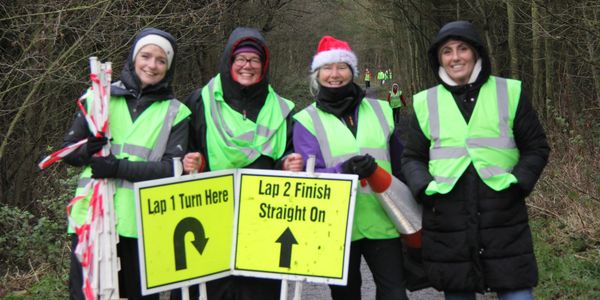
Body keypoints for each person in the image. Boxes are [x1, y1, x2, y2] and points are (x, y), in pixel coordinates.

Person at [401, 20, 550, 300]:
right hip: (447, 216)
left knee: (517, 292)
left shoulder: (510, 92)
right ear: (439, 59)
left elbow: (536, 147)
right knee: (458, 292)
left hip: (503, 213)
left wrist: (519, 183)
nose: (455, 57)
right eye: (447, 51)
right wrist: (424, 189)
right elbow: (412, 157)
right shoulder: (424, 102)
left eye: (462, 49)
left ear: (477, 53)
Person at [171, 27, 303, 300]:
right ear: (228, 61)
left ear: (264, 66)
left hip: (263, 220)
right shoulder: (199, 102)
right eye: (240, 58)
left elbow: (287, 154)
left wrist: (288, 164)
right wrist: (189, 161)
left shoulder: (282, 109)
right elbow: (182, 151)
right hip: (209, 219)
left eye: (255, 60)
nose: (247, 66)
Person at [63, 28, 191, 299]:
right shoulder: (99, 96)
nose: (151, 65)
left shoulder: (176, 112)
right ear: (134, 58)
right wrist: (88, 149)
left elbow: (172, 170)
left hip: (144, 226)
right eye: (146, 56)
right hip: (92, 220)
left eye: (161, 60)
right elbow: (67, 154)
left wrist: (118, 168)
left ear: (168, 67)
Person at [293, 35, 409, 300]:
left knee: (395, 294)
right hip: (336, 227)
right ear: (317, 73)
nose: (335, 74)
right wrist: (343, 172)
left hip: (384, 220)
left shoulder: (381, 110)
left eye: (342, 67)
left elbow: (401, 164)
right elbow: (306, 180)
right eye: (327, 68)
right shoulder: (305, 120)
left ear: (353, 71)